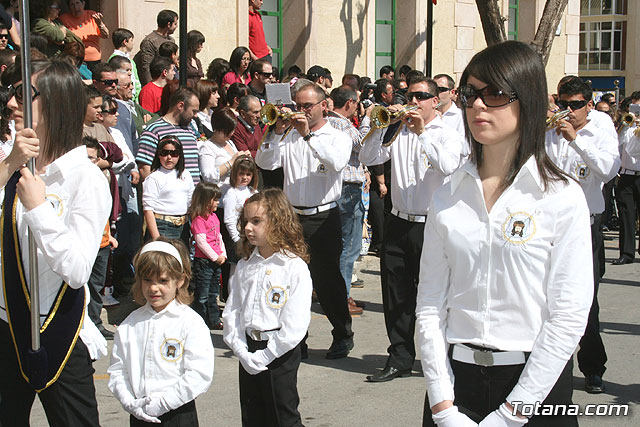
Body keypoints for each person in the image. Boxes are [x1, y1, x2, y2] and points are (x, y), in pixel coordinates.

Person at [418, 41, 593, 427]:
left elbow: (567, 317)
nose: (478, 106)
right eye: (469, 94)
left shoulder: (561, 197)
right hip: (455, 385)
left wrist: (514, 413)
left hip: (536, 386)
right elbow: (430, 306)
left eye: (495, 94)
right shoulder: (447, 195)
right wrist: (443, 406)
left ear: (526, 100)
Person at [0, 58, 110, 426]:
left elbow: (78, 269)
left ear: (53, 102)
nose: (12, 104)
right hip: (6, 325)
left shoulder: (85, 179)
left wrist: (37, 209)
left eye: (22, 94)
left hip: (57, 329)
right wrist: (10, 166)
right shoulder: (12, 163)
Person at [359, 76, 463, 383]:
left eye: (420, 96)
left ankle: (443, 360)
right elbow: (368, 157)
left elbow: (447, 166)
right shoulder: (397, 129)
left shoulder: (448, 132)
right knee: (396, 295)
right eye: (409, 95)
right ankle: (400, 358)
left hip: (433, 225)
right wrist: (382, 126)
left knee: (436, 298)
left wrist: (421, 134)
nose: (412, 101)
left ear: (435, 100)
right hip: (397, 221)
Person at [256, 82, 354, 359]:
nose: (301, 111)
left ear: (324, 106)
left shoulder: (337, 135)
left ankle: (342, 334)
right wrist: (275, 132)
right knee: (291, 281)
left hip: (323, 215)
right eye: (298, 106)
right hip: (292, 217)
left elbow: (336, 162)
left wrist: (309, 135)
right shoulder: (288, 136)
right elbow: (265, 162)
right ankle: (297, 339)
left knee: (327, 281)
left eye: (307, 106)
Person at [546, 77, 619, 395]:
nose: (568, 111)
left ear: (588, 104)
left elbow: (608, 169)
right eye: (563, 104)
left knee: (585, 302)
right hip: (550, 226)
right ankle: (550, 369)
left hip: (585, 227)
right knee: (547, 301)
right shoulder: (550, 128)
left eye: (575, 105)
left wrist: (575, 139)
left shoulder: (600, 127)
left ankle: (592, 369)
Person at [223, 189, 311, 427]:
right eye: (246, 222)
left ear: (278, 222)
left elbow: (295, 324)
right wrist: (241, 350)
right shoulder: (244, 266)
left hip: (279, 351)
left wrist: (267, 355)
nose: (248, 228)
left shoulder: (293, 268)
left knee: (283, 417)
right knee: (253, 416)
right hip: (249, 349)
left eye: (256, 221)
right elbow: (233, 312)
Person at [108, 238, 214, 425]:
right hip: (139, 411)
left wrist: (163, 403)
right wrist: (129, 402)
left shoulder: (190, 322)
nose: (153, 288)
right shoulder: (129, 324)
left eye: (163, 281)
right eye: (147, 280)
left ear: (179, 280)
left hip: (177, 413)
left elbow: (199, 374)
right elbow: (118, 369)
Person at [327, 86, 366, 315]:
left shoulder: (327, 123)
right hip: (349, 189)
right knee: (349, 247)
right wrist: (369, 120)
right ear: (350, 103)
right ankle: (343, 297)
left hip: (337, 188)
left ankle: (336, 294)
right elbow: (363, 146)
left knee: (338, 246)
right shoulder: (342, 124)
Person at [136, 86, 200, 184]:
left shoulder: (190, 130)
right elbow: (145, 169)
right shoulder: (154, 130)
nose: (196, 116)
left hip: (193, 196)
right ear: (180, 106)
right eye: (194, 111)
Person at [142, 136, 194, 240]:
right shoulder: (154, 177)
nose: (169, 157)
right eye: (165, 153)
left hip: (184, 226)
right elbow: (148, 210)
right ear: (159, 155)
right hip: (162, 226)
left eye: (174, 153)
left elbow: (191, 202)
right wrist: (157, 239)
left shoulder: (186, 174)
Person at [190, 182, 226, 330]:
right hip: (204, 262)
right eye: (215, 199)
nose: (217, 202)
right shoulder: (199, 220)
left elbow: (219, 236)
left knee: (213, 293)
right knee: (202, 295)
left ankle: (214, 320)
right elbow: (201, 242)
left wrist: (222, 253)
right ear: (205, 200)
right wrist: (214, 257)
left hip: (216, 261)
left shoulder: (214, 217)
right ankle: (200, 322)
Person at [199, 107, 249, 193]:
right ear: (217, 128)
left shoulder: (230, 143)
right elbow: (208, 177)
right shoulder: (207, 147)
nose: (231, 133)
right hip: (220, 197)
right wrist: (231, 162)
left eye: (233, 130)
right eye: (228, 130)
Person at [223, 155, 259, 260]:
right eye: (241, 174)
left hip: (252, 237)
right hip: (239, 237)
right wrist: (236, 240)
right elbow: (229, 219)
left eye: (248, 174)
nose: (245, 177)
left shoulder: (253, 191)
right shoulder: (232, 193)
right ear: (235, 174)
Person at [59, 0, 109, 72]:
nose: (76, 7)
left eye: (77, 3)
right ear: (69, 7)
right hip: (76, 59)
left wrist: (100, 24)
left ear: (83, 3)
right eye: (72, 5)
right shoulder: (64, 18)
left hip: (94, 58)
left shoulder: (91, 15)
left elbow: (106, 35)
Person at [133, 9, 178, 86]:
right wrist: (151, 86)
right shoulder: (150, 41)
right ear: (168, 24)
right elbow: (146, 67)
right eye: (175, 24)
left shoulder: (171, 40)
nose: (176, 26)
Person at [110, 28, 142, 102]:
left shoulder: (130, 60)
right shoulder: (114, 60)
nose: (133, 43)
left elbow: (136, 80)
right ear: (125, 42)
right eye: (131, 40)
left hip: (133, 99)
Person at [433, 73, 465, 140]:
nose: (435, 93)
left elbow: (463, 146)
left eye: (440, 89)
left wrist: (440, 124)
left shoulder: (461, 116)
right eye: (433, 89)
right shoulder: (427, 114)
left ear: (452, 93)